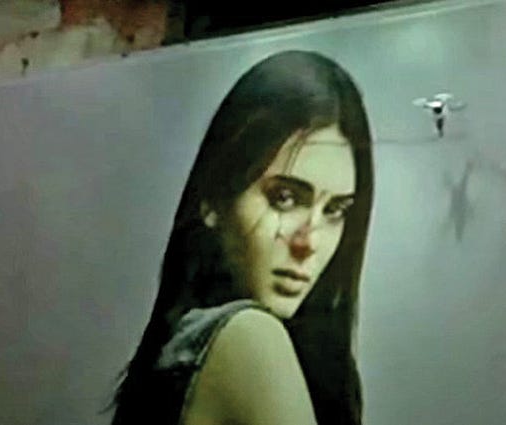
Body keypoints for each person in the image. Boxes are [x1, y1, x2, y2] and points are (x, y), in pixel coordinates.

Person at [110, 50, 374, 425]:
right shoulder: (248, 336)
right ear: (214, 198)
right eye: (284, 198)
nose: (309, 243)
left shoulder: (178, 351)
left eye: (335, 210)